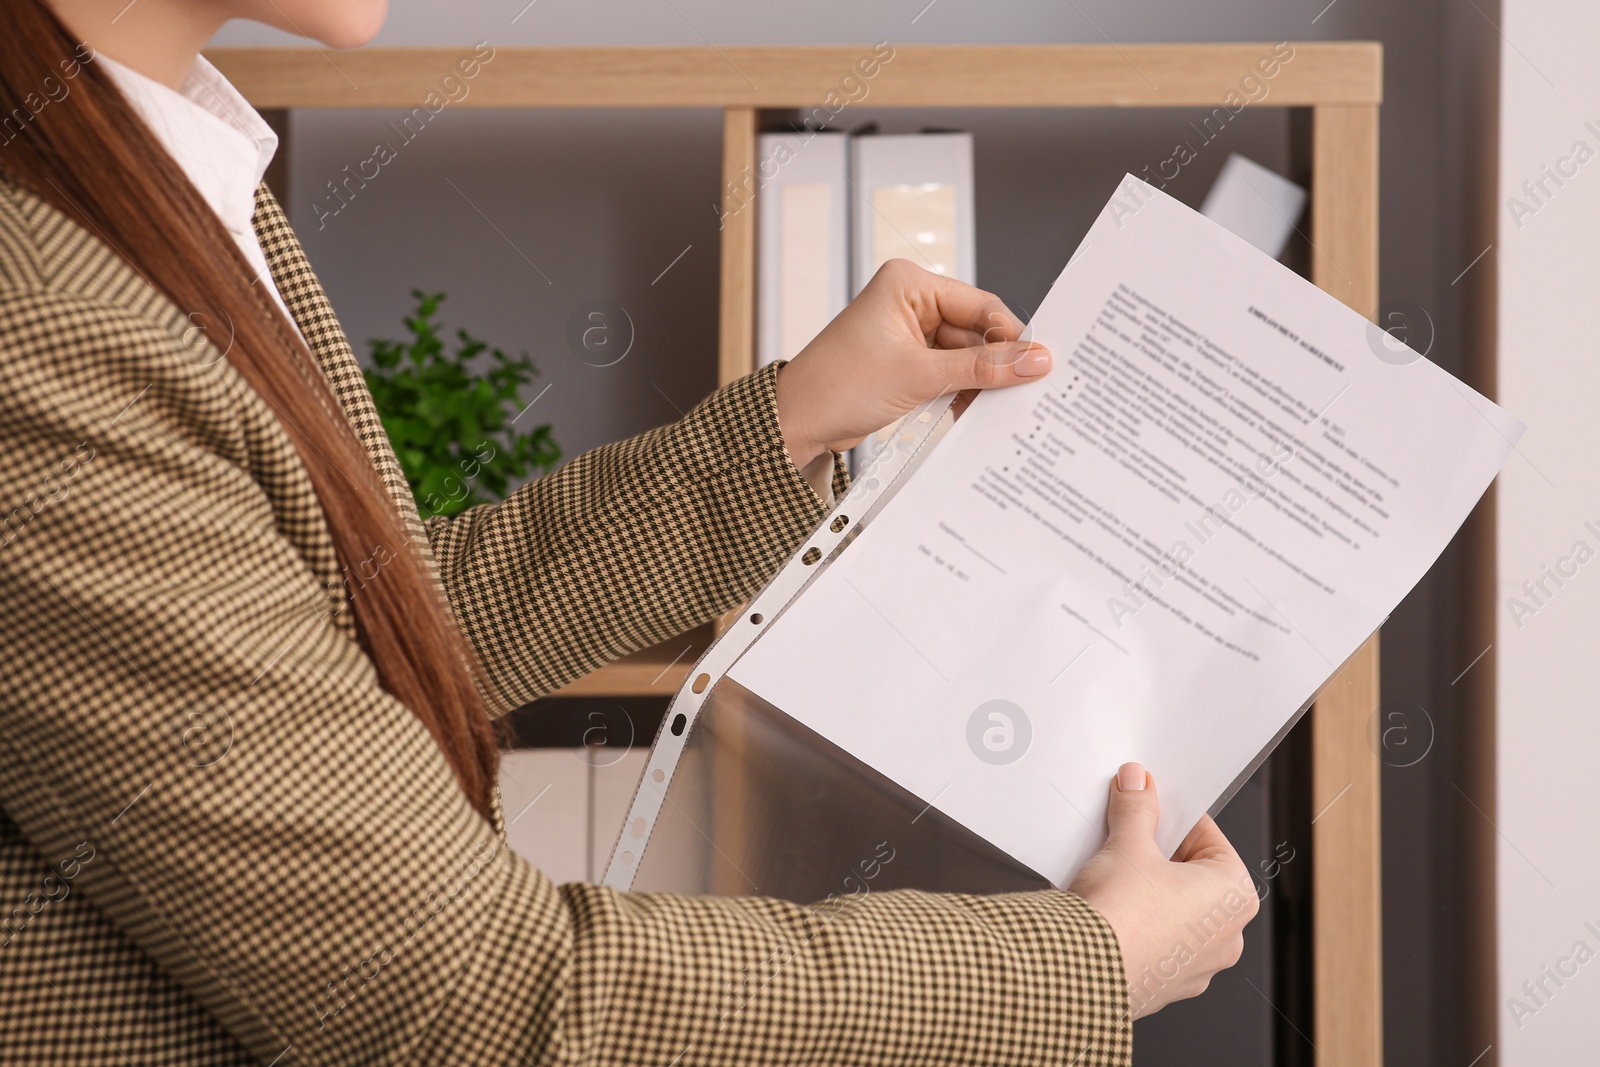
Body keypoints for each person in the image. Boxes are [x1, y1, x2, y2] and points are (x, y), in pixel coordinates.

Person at [0, 1, 1258, 1063]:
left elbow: (365, 644)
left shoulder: (152, 170)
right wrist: (1079, 964)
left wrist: (790, 423)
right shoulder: (44, 316)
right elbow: (469, 996)